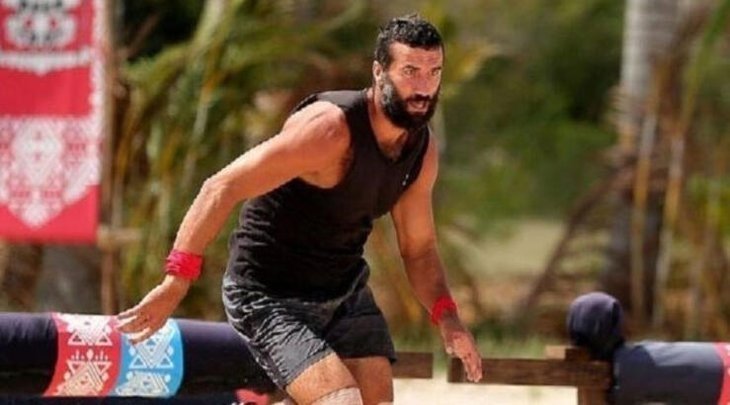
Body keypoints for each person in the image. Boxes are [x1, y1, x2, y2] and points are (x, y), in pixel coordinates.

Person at [117, 14, 483, 405]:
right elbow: (220, 186)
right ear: (379, 72)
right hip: (268, 294)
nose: (423, 87)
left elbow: (419, 249)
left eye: (433, 72)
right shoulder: (330, 130)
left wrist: (448, 317)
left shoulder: (420, 151)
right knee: (341, 402)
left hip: (344, 292)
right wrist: (176, 281)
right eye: (410, 71)